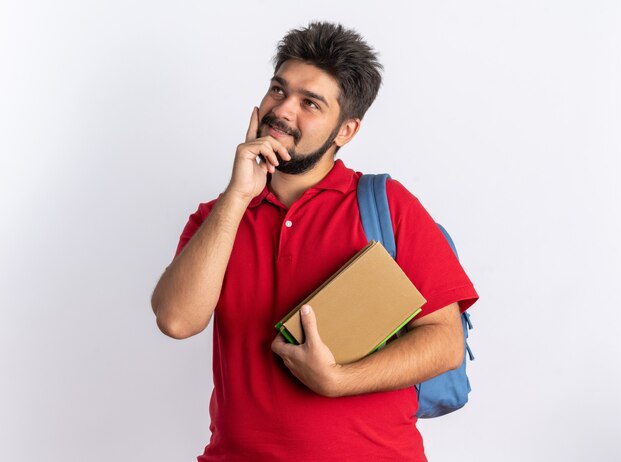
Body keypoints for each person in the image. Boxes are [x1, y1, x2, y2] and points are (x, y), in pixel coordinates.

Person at [151, 21, 478, 462]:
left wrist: (338, 380)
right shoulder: (217, 217)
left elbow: (444, 342)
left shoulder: (388, 205)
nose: (283, 111)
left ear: (345, 131)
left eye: (310, 103)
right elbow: (176, 320)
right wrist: (238, 197)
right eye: (278, 90)